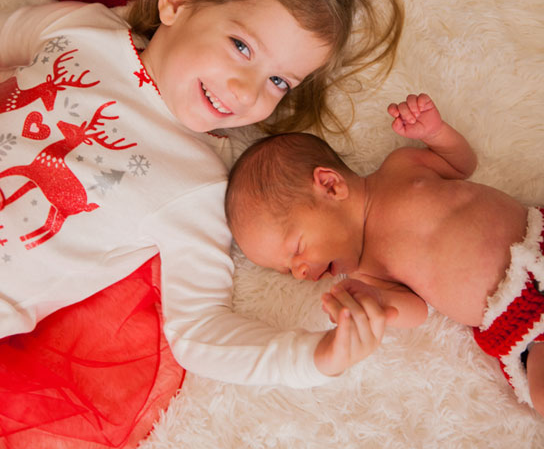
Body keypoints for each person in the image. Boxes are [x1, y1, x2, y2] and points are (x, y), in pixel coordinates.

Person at [0, 0, 404, 449]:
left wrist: (313, 359)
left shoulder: (200, 188)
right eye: (242, 47)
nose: (249, 90)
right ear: (176, 1)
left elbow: (200, 333)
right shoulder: (83, 28)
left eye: (278, 79)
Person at [225, 92, 544, 416]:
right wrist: (373, 304)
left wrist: (435, 133)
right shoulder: (368, 273)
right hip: (520, 318)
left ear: (330, 185)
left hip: (538, 239)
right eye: (287, 271)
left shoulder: (401, 168)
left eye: (296, 250)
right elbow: (417, 310)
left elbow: (461, 164)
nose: (300, 272)